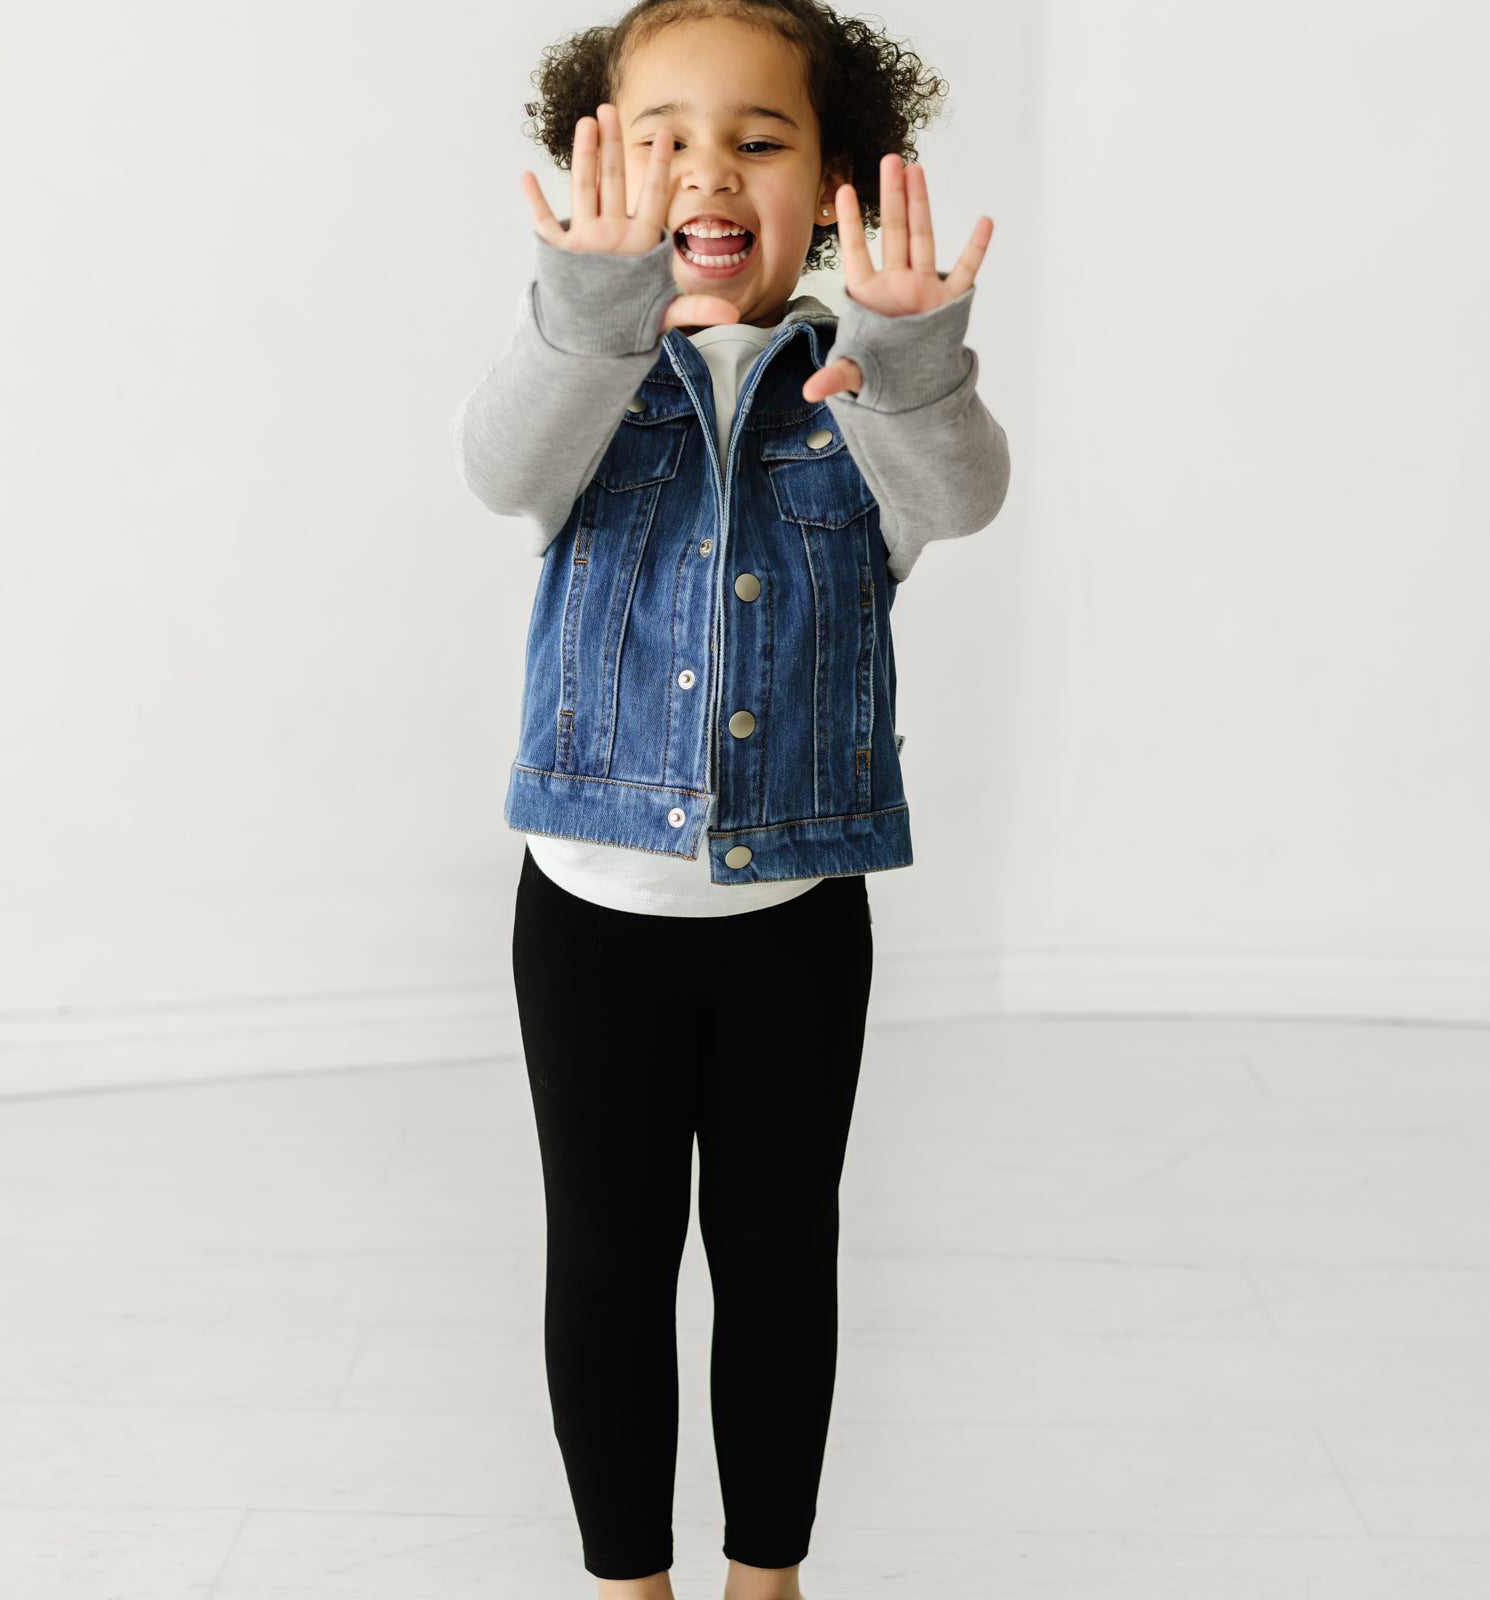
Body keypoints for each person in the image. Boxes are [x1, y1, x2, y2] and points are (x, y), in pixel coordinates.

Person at [451, 3, 1010, 1596]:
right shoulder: (582, 371)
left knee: (777, 1262)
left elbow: (962, 496)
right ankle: (628, 1581)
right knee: (608, 1262)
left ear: (833, 179)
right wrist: (589, 303)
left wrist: (914, 356)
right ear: (601, 171)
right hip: (591, 916)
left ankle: (768, 1578)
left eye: (757, 140)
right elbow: (502, 470)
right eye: (663, 139)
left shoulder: (866, 384)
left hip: (794, 921)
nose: (707, 170)